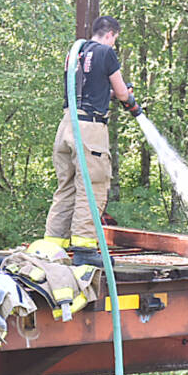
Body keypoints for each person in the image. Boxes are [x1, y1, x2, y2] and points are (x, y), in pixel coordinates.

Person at [43, 16, 142, 266]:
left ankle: (53, 246)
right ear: (110, 34)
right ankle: (85, 250)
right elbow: (121, 92)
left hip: (67, 126)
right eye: (115, 39)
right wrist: (129, 100)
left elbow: (86, 90)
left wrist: (109, 93)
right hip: (89, 129)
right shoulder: (106, 53)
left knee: (66, 187)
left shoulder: (76, 53)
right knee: (93, 186)